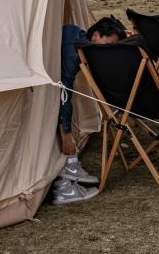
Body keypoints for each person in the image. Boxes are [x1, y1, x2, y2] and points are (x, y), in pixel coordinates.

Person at [52, 16, 127, 205]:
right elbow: (63, 92)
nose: (107, 51)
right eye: (108, 44)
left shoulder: (76, 35)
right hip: (42, 97)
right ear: (96, 35)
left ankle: (69, 168)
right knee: (62, 109)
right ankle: (64, 181)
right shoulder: (73, 50)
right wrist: (66, 133)